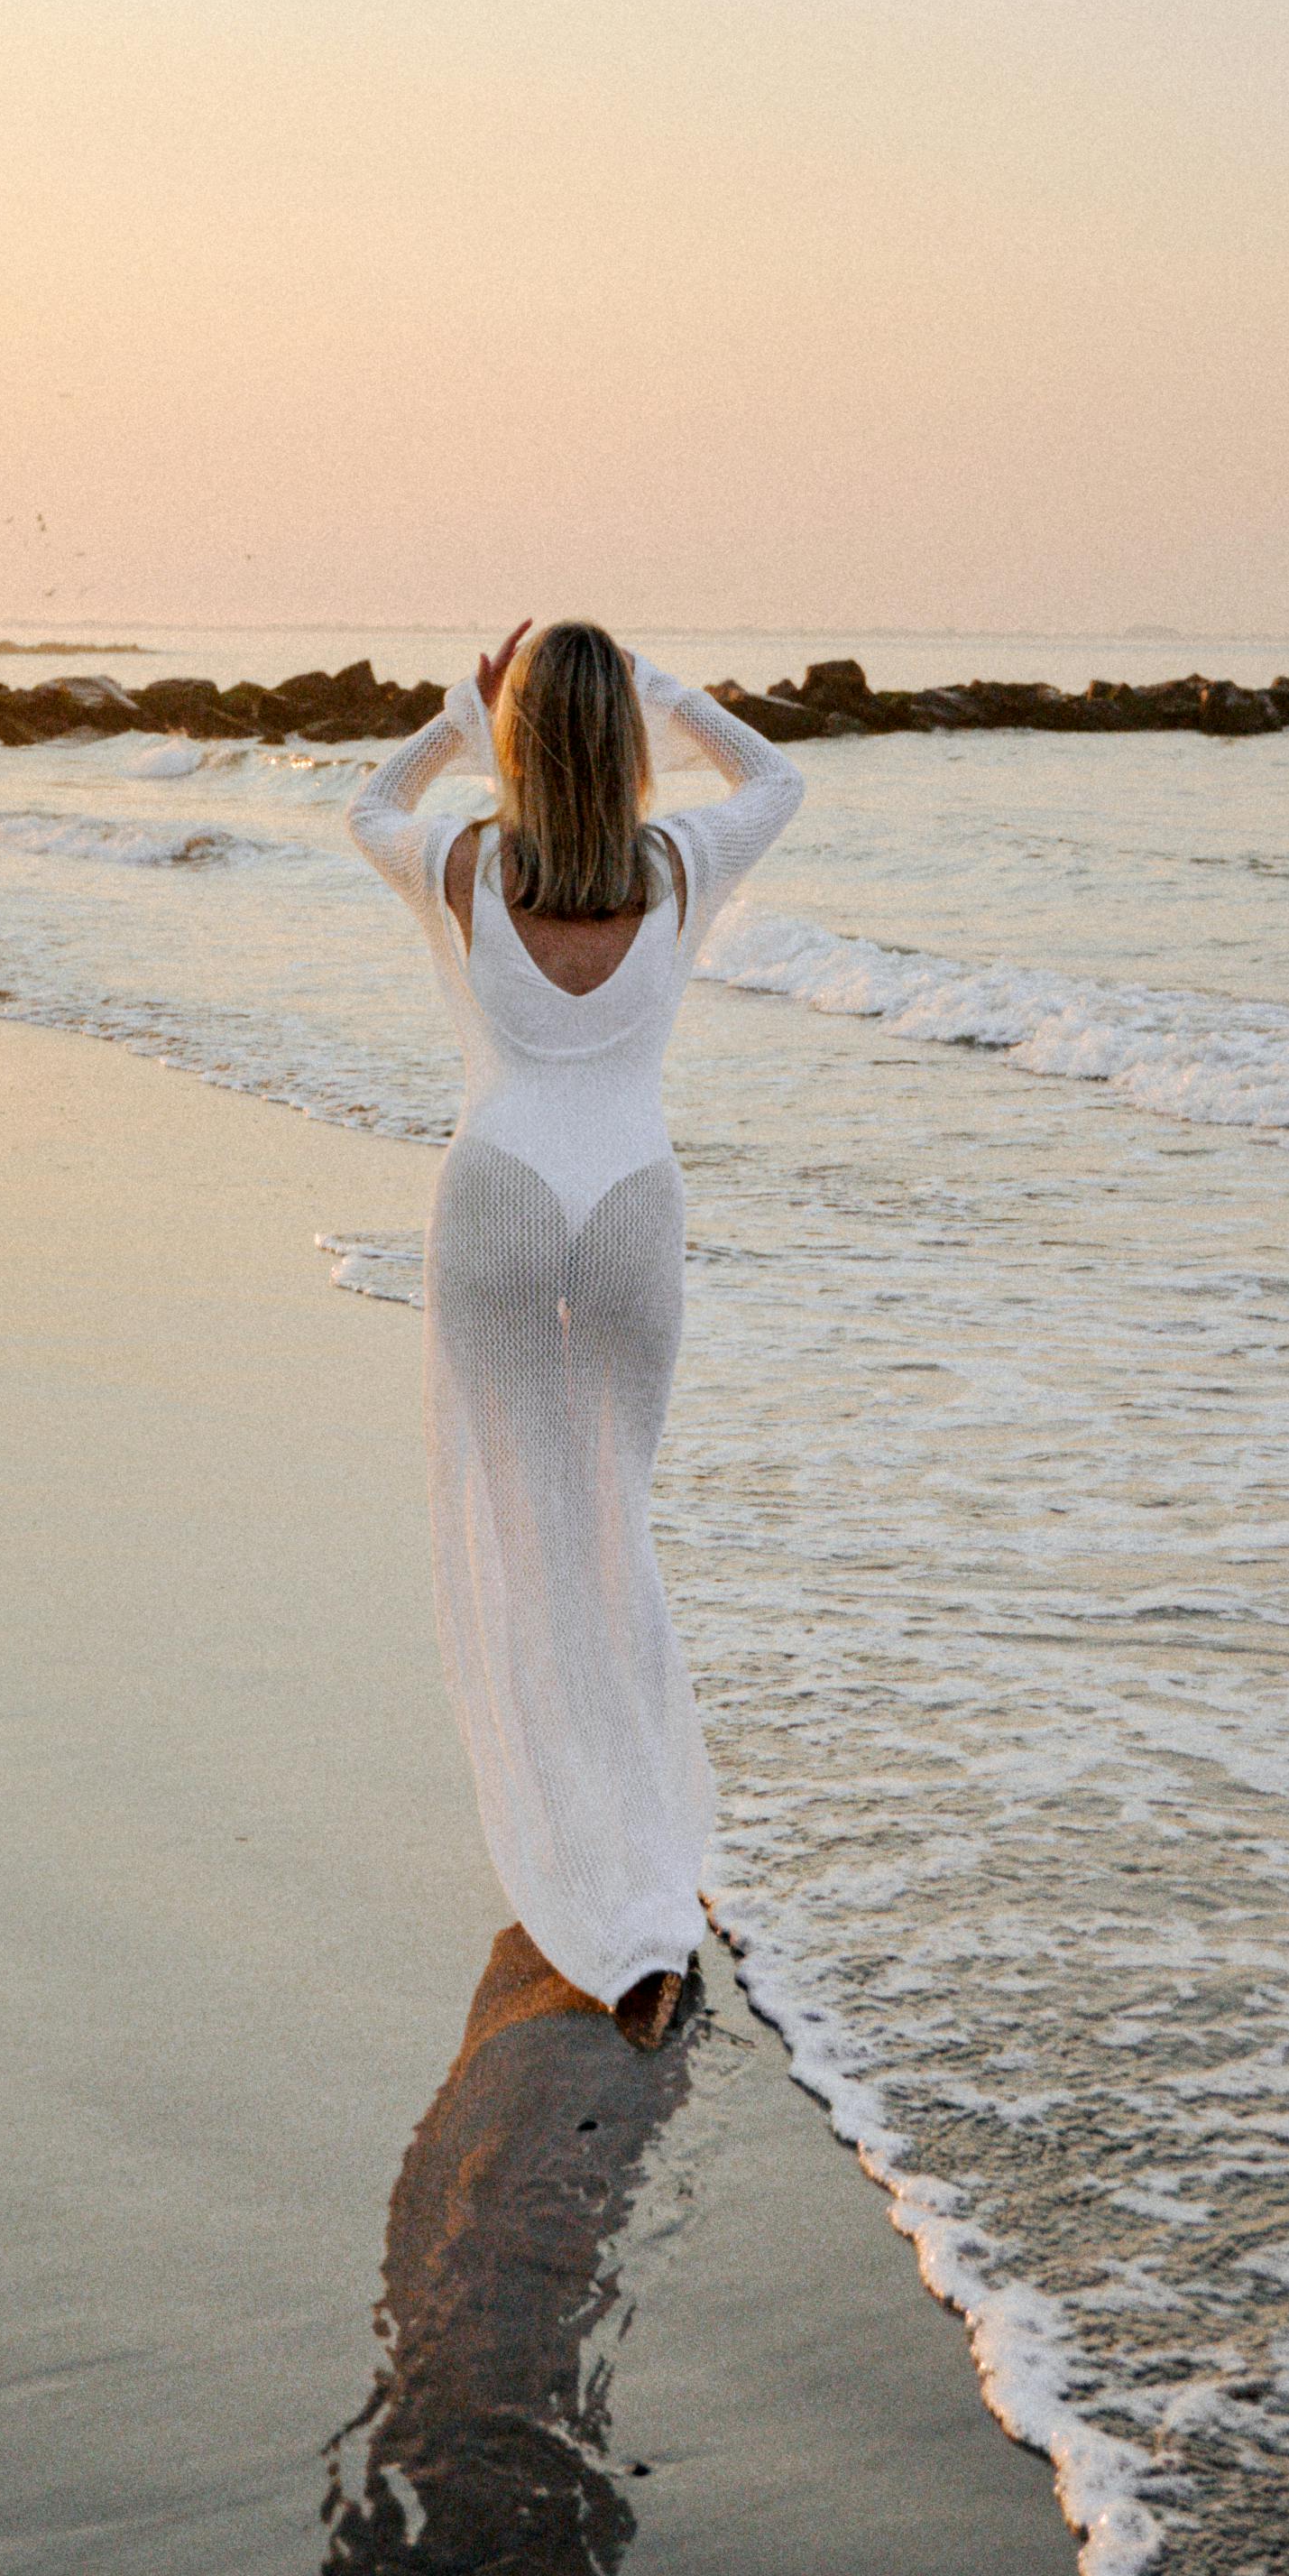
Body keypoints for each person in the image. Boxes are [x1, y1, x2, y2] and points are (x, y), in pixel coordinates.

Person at [346, 621, 804, 2051]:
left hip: (494, 1205)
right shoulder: (678, 871)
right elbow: (776, 777)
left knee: (519, 1544)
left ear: (519, 741)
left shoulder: (467, 865)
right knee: (618, 1534)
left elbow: (363, 808)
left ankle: (578, 1879)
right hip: (626, 1221)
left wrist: (455, 718)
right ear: (621, 743)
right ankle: (649, 1877)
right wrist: (667, 692)